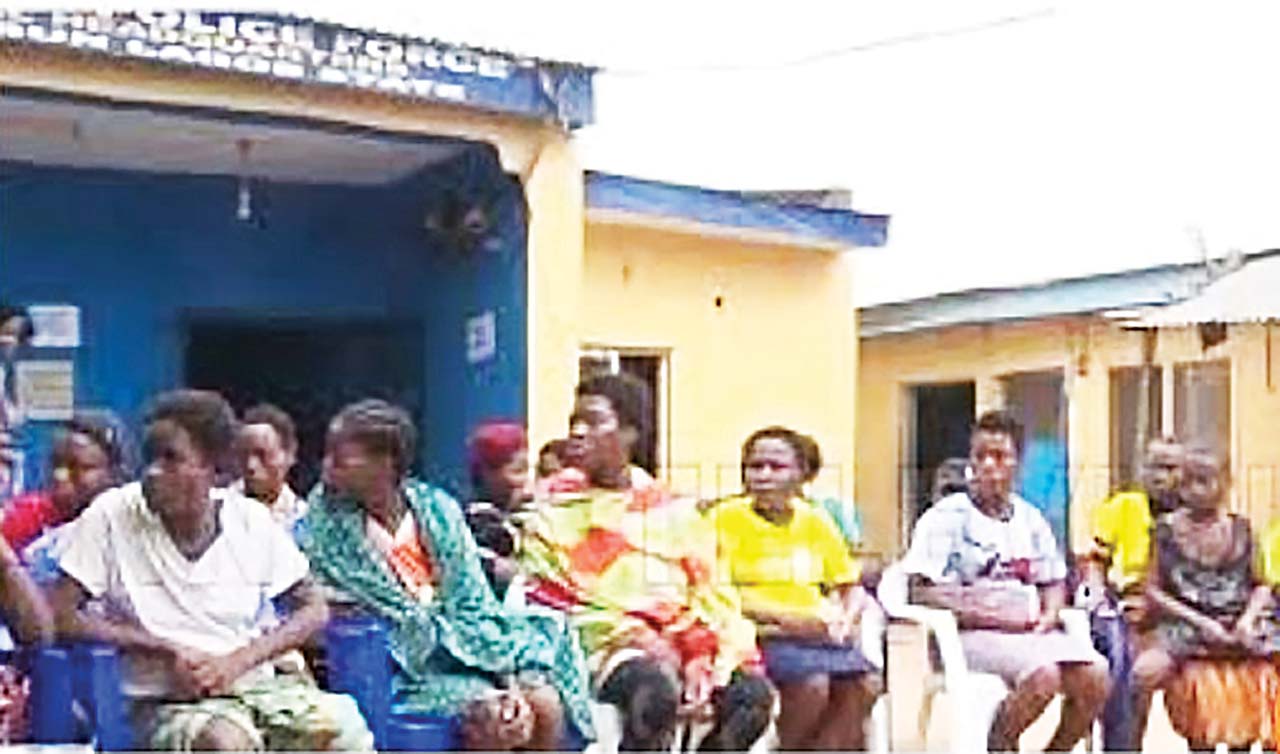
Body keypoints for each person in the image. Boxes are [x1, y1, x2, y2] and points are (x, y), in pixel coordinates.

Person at [50, 389, 372, 752]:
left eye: (171, 459)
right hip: (165, 703)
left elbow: (314, 609)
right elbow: (61, 615)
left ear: (215, 470)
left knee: (344, 730)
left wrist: (237, 662)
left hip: (256, 687)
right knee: (225, 742)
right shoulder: (112, 515)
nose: (153, 472)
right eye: (150, 458)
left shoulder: (250, 521)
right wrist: (163, 647)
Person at [299, 399, 594, 751]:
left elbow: (474, 604)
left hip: (468, 648)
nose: (327, 467)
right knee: (493, 719)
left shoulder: (437, 510)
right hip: (398, 670)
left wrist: (507, 679)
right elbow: (322, 601)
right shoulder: (323, 525)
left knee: (545, 704)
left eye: (341, 458)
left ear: (385, 464)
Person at [520, 373, 773, 752]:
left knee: (751, 699)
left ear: (630, 433)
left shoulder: (675, 511)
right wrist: (641, 637)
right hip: (605, 646)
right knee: (653, 694)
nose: (577, 431)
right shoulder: (551, 512)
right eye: (574, 421)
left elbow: (713, 593)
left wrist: (704, 652)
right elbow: (554, 599)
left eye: (593, 420)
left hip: (687, 639)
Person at [902, 410, 1108, 752]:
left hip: (1029, 633)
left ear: (1017, 464)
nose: (988, 466)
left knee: (1096, 675)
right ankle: (1000, 744)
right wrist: (987, 613)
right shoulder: (946, 517)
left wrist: (1049, 616)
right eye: (979, 456)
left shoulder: (1030, 519)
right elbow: (919, 590)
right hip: (969, 634)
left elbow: (1053, 580)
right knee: (1043, 675)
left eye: (999, 457)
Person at [711, 426, 880, 750]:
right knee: (812, 685)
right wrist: (787, 620)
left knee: (865, 683)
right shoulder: (723, 519)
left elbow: (850, 585)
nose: (764, 476)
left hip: (815, 633)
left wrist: (844, 620)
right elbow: (714, 590)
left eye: (777, 467)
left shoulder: (815, 521)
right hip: (759, 633)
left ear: (801, 474)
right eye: (755, 466)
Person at [1131, 444, 1280, 751]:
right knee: (1142, 673)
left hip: (1239, 622)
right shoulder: (1165, 530)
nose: (1195, 490)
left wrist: (1247, 620)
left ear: (1226, 482)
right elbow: (1153, 590)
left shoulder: (1242, 529)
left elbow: (1262, 585)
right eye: (1187, 481)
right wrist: (1200, 622)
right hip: (1187, 624)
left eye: (1204, 481)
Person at [1085, 435, 1183, 750]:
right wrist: (1098, 598)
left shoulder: (1193, 517)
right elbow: (1095, 564)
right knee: (1119, 660)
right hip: (1122, 607)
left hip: (1172, 613)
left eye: (1170, 468)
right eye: (1154, 467)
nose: (1160, 476)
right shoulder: (1123, 507)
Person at [2, 411, 130, 584]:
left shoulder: (129, 532)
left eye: (79, 467)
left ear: (114, 474)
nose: (60, 476)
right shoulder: (27, 515)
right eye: (56, 464)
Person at [464, 421, 533, 597]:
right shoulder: (478, 527)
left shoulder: (525, 517)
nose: (528, 482)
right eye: (518, 471)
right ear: (486, 474)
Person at [233, 403, 306, 532]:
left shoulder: (306, 521)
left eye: (262, 455)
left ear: (289, 455)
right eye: (244, 455)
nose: (251, 465)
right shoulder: (218, 510)